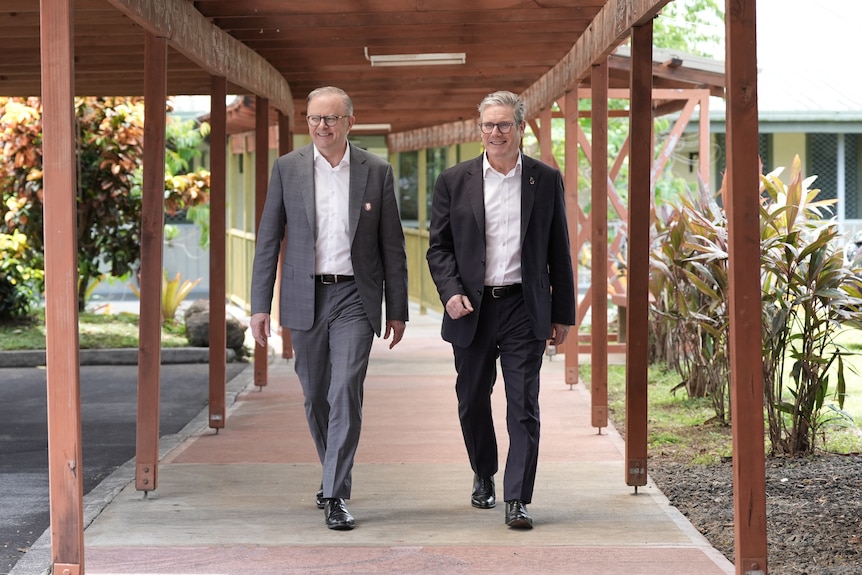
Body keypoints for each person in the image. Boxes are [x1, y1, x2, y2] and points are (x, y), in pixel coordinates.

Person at [250, 86, 408, 531]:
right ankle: (331, 474)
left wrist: (396, 308)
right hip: (305, 296)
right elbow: (267, 241)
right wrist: (259, 304)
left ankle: (336, 493)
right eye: (315, 118)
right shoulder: (288, 169)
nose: (322, 126)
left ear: (349, 122)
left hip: (355, 298)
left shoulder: (376, 170)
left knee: (346, 390)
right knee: (315, 394)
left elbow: (392, 246)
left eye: (331, 118)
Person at [426, 90, 575, 529]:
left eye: (504, 124)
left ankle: (517, 498)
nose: (495, 132)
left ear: (521, 128)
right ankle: (484, 471)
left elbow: (559, 250)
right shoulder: (454, 181)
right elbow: (440, 249)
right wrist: (450, 292)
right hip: (470, 309)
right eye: (488, 125)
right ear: (480, 128)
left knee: (522, 405)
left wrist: (561, 313)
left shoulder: (545, 180)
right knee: (472, 401)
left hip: (523, 309)